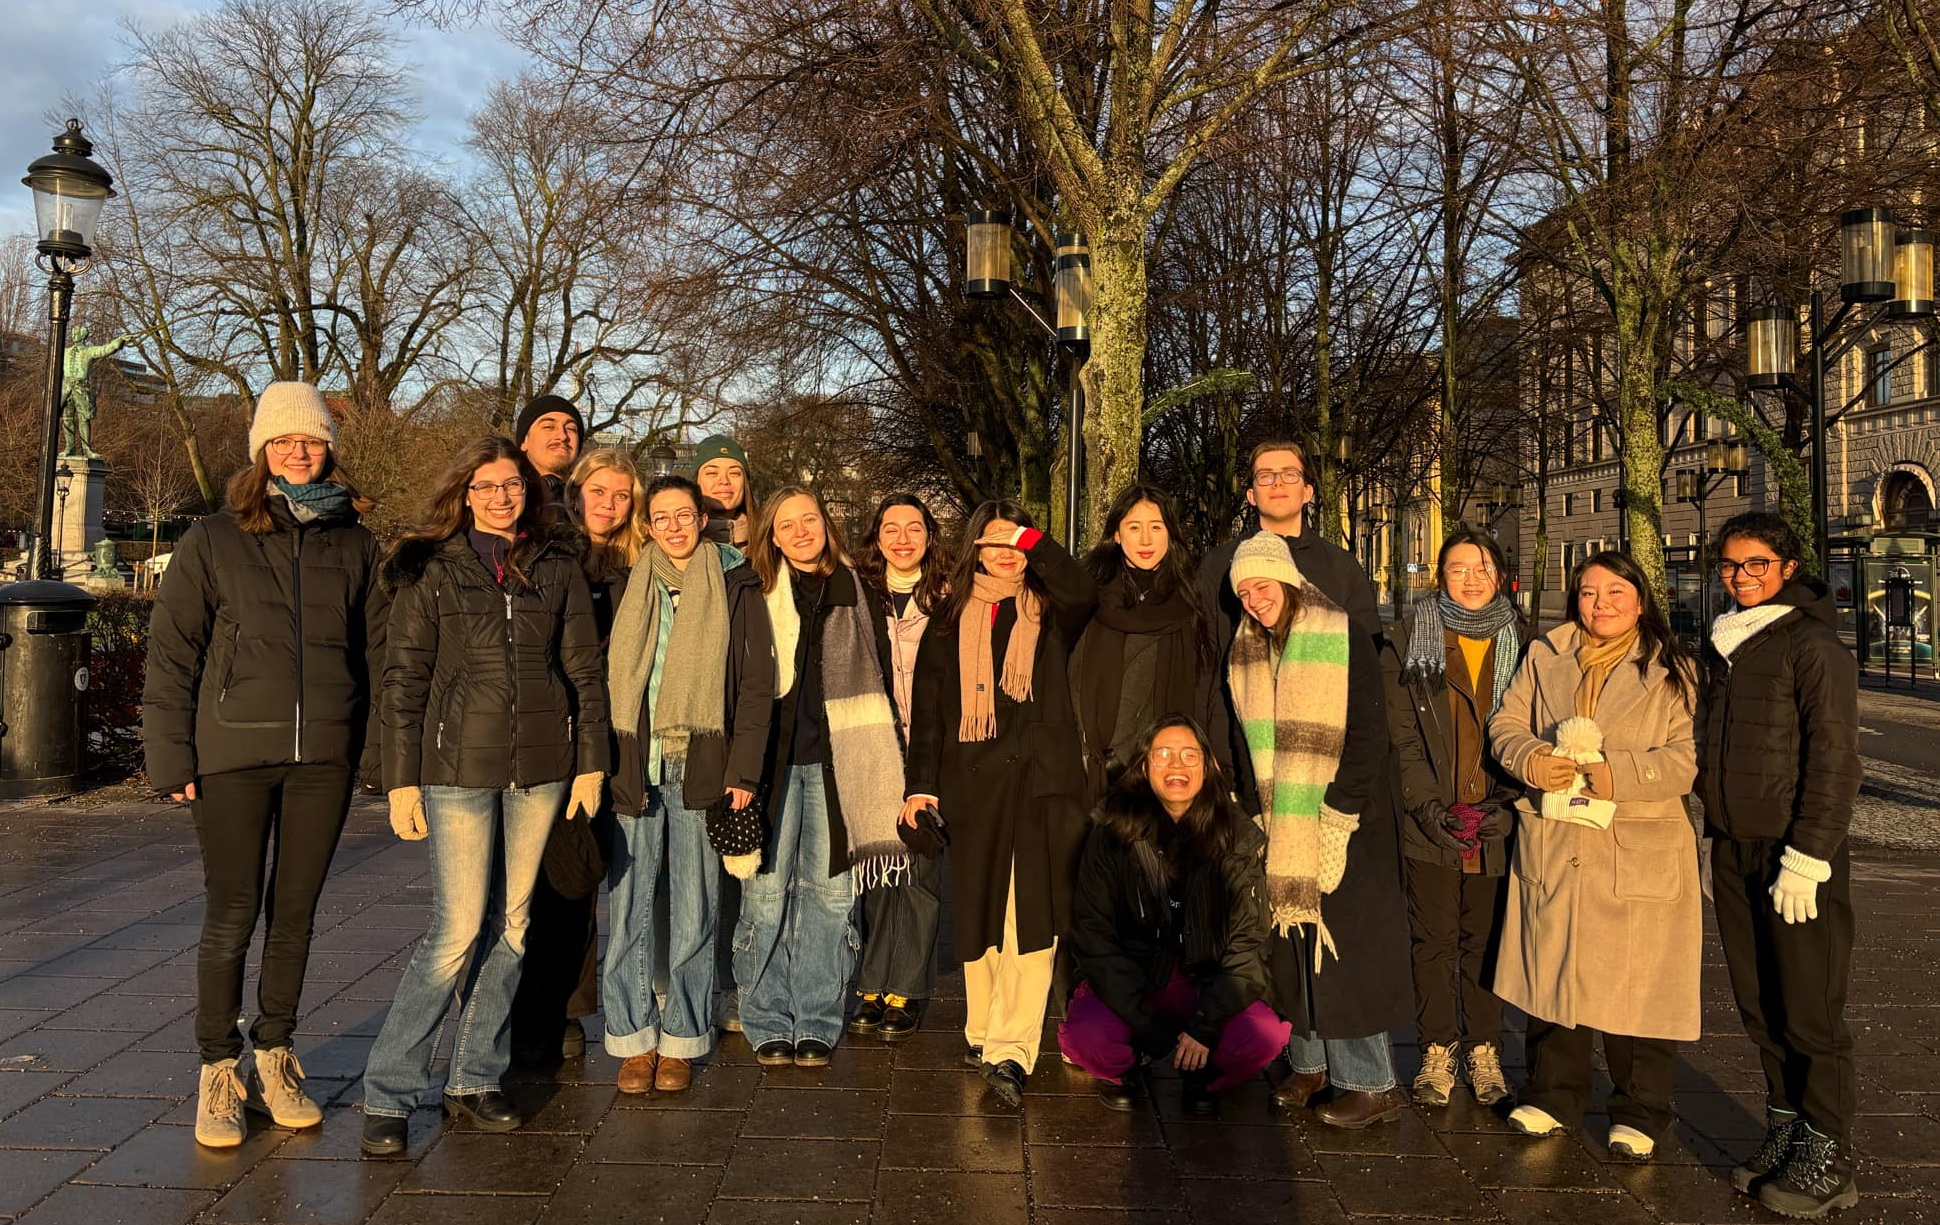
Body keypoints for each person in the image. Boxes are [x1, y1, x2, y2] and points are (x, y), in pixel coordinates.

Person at [143, 382, 385, 1149]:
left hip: (323, 758)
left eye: (310, 440)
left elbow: (378, 655)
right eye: (283, 440)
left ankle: (275, 1053)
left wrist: (377, 753)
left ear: (328, 449)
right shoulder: (214, 539)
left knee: (296, 913)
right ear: (262, 451)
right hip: (232, 753)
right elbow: (173, 651)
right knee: (233, 911)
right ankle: (219, 1068)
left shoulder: (357, 543)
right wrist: (170, 755)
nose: (297, 451)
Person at [360, 437, 609, 1158]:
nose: (502, 497)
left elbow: (584, 671)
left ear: (529, 492)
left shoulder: (556, 565)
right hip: (456, 768)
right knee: (456, 930)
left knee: (515, 924)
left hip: (543, 767)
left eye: (513, 485)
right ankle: (389, 1091)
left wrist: (591, 763)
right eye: (487, 486)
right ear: (464, 493)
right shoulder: (432, 568)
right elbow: (403, 679)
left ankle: (474, 1077)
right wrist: (400, 779)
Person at [1490, 549, 1700, 1161]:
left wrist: (1621, 773)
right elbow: (1505, 724)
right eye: (1588, 593)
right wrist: (1531, 758)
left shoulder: (1674, 669)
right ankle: (1552, 1093)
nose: (1600, 604)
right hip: (1558, 839)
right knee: (1555, 969)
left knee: (1641, 984)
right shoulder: (1544, 654)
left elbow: (1688, 757)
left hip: (1635, 843)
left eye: (1615, 593)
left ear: (1641, 600)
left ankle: (1641, 1108)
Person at [903, 501, 1097, 1106]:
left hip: (1042, 785)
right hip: (972, 787)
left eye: (1015, 542)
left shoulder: (1052, 608)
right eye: (993, 541)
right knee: (980, 912)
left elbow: (1082, 588)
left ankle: (1013, 1049)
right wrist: (919, 786)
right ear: (974, 551)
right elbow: (929, 713)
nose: (1006, 552)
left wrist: (1031, 537)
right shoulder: (948, 618)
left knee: (1031, 913)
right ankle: (985, 1031)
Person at [1698, 513, 1860, 1217]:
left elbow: (1835, 758)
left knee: (1809, 1008)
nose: (1741, 577)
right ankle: (1787, 1124)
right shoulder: (1725, 642)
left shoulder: (1813, 645)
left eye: (1756, 564)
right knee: (1760, 1003)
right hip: (1734, 845)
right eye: (1731, 565)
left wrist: (1809, 855)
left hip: (1794, 854)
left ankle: (1827, 1150)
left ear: (1788, 568)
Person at [1224, 531, 1404, 1127]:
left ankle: (1370, 1082)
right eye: (1244, 592)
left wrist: (1336, 812)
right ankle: (1310, 1065)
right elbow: (1244, 741)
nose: (1254, 600)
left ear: (1288, 580)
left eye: (1262, 586)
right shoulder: (1245, 652)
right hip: (1279, 818)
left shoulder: (1342, 634)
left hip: (1346, 817)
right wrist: (1257, 809)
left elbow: (1369, 733)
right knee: (1292, 943)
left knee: (1344, 953)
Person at [602, 473, 773, 1093]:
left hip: (701, 760)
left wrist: (743, 770)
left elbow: (755, 684)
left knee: (696, 907)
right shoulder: (626, 582)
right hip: (635, 761)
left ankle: (682, 1036)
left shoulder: (735, 580)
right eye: (662, 517)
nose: (674, 527)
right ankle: (632, 1037)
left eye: (684, 515)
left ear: (703, 520)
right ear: (647, 525)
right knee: (629, 907)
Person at [740, 486, 904, 1069]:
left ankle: (815, 1017)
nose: (801, 531)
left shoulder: (856, 590)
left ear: (825, 524)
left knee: (831, 898)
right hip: (772, 766)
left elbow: (885, 674)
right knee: (765, 895)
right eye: (787, 524)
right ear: (772, 536)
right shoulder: (752, 591)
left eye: (809, 519)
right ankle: (765, 1016)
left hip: (841, 766)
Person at [1061, 716, 1291, 1116]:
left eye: (1189, 756)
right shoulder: (1113, 831)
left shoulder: (1234, 834)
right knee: (1089, 1038)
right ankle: (1127, 1069)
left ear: (1209, 766)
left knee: (1264, 1036)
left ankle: (1203, 1072)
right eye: (1163, 755)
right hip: (1135, 980)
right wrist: (1147, 1026)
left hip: (1205, 982)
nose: (1176, 766)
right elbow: (1093, 934)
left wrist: (1205, 1027)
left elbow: (1249, 941)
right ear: (1144, 766)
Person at [1380, 528, 1527, 1109]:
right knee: (1433, 940)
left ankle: (1484, 1048)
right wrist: (1427, 807)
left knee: (1486, 941)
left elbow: (1535, 731)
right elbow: (1402, 739)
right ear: (1440, 576)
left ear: (1500, 576)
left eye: (1482, 567)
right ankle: (1438, 1048)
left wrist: (1505, 804)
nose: (1470, 578)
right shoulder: (1407, 640)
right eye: (1458, 568)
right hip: (1431, 819)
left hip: (1495, 820)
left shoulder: (1525, 645)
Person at [509, 449, 647, 1064]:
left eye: (621, 495)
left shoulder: (639, 564)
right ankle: (520, 1006)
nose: (609, 505)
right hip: (552, 732)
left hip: (618, 734)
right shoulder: (547, 554)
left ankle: (568, 1005)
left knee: (581, 876)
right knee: (535, 877)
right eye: (599, 491)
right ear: (577, 493)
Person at [848, 494, 954, 1041]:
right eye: (891, 528)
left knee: (919, 869)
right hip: (871, 746)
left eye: (914, 527)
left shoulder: (951, 598)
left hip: (932, 747)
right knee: (878, 870)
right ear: (877, 537)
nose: (903, 538)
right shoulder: (859, 594)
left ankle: (907, 988)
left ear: (930, 536)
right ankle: (871, 982)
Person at [1073, 484, 1213, 794]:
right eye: (1134, 527)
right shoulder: (1088, 592)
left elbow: (1202, 682)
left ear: (1170, 533)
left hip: (1159, 766)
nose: (1146, 539)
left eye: (1156, 527)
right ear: (1117, 534)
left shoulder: (1189, 599)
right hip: (1086, 764)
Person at [516, 394, 586, 503]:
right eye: (549, 427)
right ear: (524, 442)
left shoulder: (592, 504)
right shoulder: (503, 499)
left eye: (571, 428)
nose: (563, 436)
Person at [695, 434, 754, 547]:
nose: (724, 481)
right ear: (696, 481)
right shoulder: (676, 541)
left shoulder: (770, 540)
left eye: (734, 473)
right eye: (712, 473)